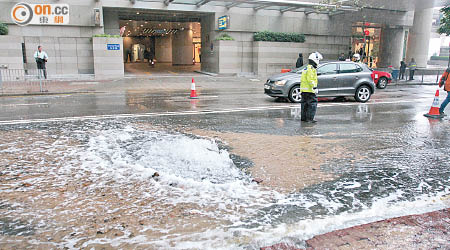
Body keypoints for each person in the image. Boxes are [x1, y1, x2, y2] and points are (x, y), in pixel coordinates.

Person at [300, 52, 322, 123]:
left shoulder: (306, 68)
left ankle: (304, 118)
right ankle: (309, 119)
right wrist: (314, 87)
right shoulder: (311, 69)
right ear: (315, 60)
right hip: (310, 90)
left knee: (304, 104)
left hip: (304, 90)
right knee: (312, 104)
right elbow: (310, 79)